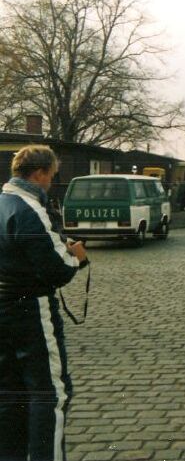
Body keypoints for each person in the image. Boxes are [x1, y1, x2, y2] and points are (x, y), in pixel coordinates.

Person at [0, 145, 89, 461]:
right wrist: (77, 258)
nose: (51, 182)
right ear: (39, 174)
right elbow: (57, 270)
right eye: (51, 176)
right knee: (50, 393)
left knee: (9, 394)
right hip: (31, 309)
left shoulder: (3, 203)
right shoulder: (30, 208)